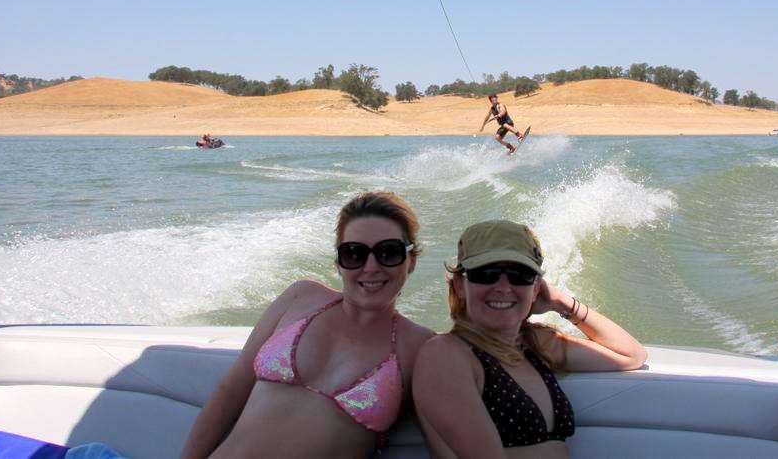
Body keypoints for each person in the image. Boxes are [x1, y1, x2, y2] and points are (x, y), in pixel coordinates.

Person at [181, 192, 435, 458]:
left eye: (388, 252)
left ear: (411, 261)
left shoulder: (421, 348)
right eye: (353, 253)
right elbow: (231, 392)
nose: (371, 267)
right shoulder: (300, 297)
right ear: (339, 264)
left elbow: (447, 438)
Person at [413, 220, 646, 458]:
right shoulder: (446, 355)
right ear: (460, 286)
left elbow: (630, 355)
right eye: (486, 274)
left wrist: (560, 302)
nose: (503, 287)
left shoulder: (534, 344)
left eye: (520, 275)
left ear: (536, 289)